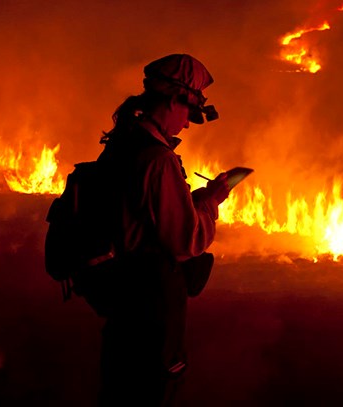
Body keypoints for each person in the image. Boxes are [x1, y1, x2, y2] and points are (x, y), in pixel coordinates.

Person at [93, 54, 230, 406]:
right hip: (149, 307)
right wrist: (211, 202)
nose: (186, 124)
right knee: (153, 391)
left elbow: (147, 213)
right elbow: (185, 240)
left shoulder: (124, 142)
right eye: (188, 113)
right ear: (173, 100)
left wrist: (193, 200)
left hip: (123, 302)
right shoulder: (158, 159)